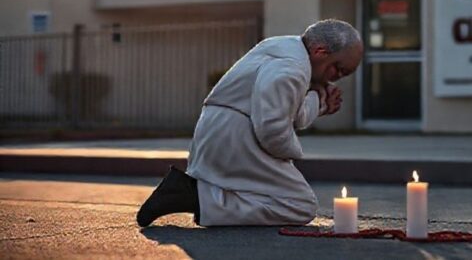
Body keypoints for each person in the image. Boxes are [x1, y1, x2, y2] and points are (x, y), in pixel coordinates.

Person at [137, 19, 363, 227]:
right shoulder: (290, 69)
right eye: (339, 69)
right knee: (299, 204)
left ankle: (194, 194)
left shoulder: (282, 48)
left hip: (219, 132)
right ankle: (194, 196)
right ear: (320, 51)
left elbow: (286, 112)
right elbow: (273, 130)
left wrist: (320, 102)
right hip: (236, 138)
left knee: (279, 194)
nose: (336, 78)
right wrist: (290, 157)